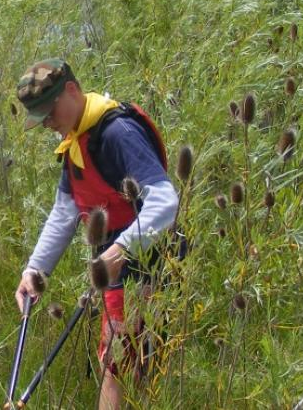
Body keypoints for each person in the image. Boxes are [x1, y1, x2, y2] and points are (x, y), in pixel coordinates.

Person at [12, 59, 179, 410]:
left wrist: (119, 251)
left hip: (151, 263)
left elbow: (164, 202)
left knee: (119, 364)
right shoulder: (76, 140)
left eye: (49, 111)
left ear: (72, 91)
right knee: (121, 363)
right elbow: (64, 213)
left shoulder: (117, 133)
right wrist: (34, 270)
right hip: (117, 266)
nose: (47, 123)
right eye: (40, 117)